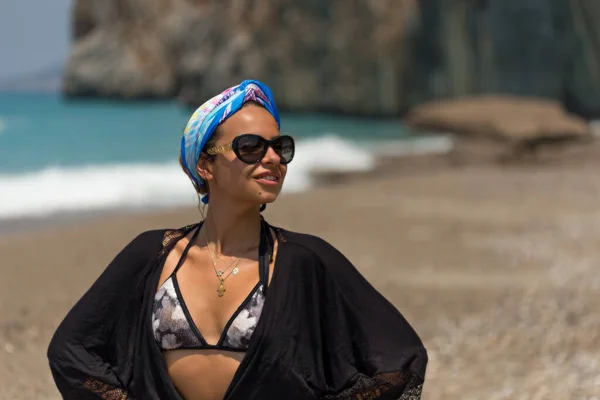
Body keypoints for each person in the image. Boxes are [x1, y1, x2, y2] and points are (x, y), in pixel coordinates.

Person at [47, 80, 427, 400]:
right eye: (251, 147)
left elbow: (402, 359)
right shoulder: (153, 255)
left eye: (281, 147)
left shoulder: (303, 259)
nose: (273, 158)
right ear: (205, 165)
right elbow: (71, 350)